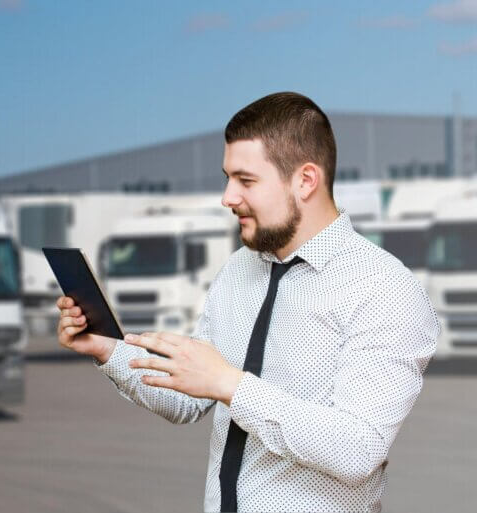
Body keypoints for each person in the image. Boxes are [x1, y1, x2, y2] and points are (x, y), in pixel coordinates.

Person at [56, 92, 439, 513]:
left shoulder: (383, 288)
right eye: (227, 177)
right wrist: (106, 349)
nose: (227, 197)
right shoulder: (238, 270)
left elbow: (358, 449)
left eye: (246, 180)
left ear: (305, 180)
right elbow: (189, 400)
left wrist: (230, 385)